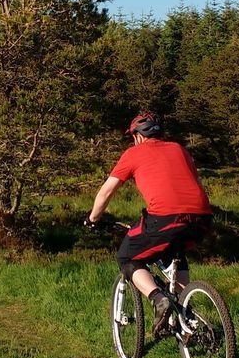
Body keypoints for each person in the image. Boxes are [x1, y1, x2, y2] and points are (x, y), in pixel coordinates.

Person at [86, 112, 213, 337]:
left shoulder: (133, 154)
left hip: (165, 217)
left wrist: (93, 219)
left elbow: (106, 191)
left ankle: (158, 299)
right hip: (201, 217)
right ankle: (185, 314)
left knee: (127, 257)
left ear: (138, 136)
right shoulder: (179, 149)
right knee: (174, 250)